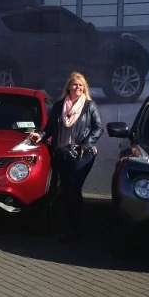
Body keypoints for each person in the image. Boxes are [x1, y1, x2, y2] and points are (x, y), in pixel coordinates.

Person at [29, 72, 102, 242]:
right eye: (75, 84)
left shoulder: (89, 106)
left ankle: (73, 228)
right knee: (67, 188)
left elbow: (98, 128)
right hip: (62, 153)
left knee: (74, 188)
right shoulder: (59, 105)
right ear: (68, 86)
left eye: (81, 85)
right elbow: (49, 128)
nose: (78, 88)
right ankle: (65, 223)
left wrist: (85, 144)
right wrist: (40, 135)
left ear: (84, 88)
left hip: (82, 155)